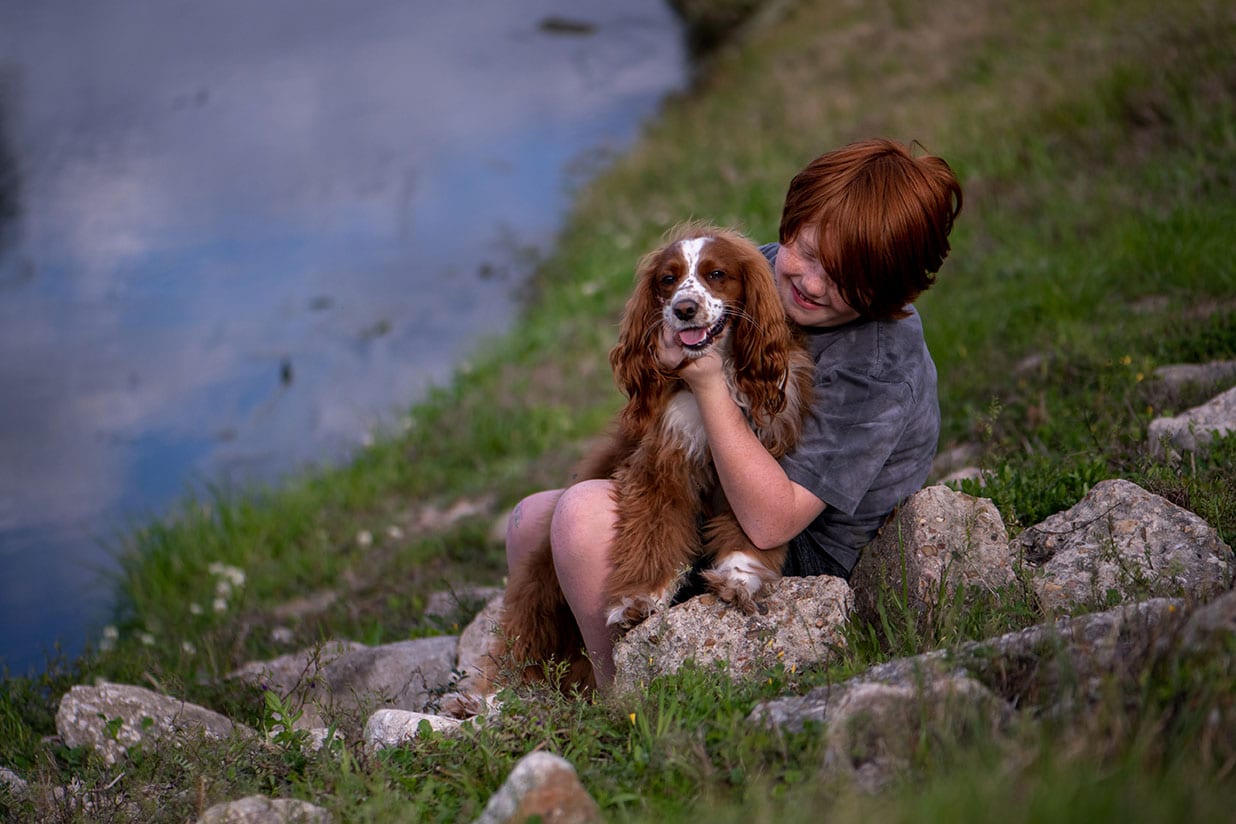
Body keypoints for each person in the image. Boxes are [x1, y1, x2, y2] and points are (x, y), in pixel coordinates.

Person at [504, 138, 962, 687]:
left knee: (582, 516)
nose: (812, 283)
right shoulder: (757, 272)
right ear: (790, 226)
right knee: (532, 519)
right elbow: (666, 360)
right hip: (705, 496)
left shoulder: (880, 365)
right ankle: (541, 679)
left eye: (845, 277)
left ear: (892, 289)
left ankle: (619, 697)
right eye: (809, 254)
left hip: (790, 556)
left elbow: (773, 520)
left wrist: (704, 378)